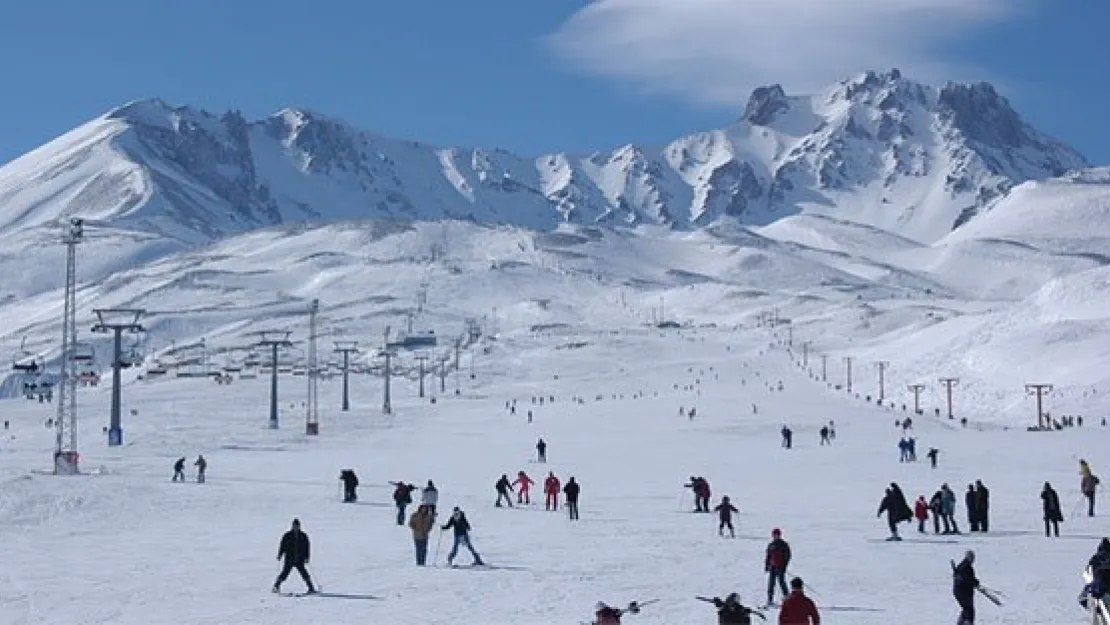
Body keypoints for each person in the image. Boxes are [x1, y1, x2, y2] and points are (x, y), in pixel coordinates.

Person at [272, 518, 316, 594]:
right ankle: (276, 586)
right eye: (294, 526)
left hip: (300, 559)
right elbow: (282, 545)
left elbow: (307, 547)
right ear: (292, 526)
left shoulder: (303, 536)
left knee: (304, 573)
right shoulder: (287, 535)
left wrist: (307, 557)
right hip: (289, 558)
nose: (296, 527)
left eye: (297, 526)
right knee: (285, 573)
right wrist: (280, 554)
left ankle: (311, 588)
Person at [764, 528, 791, 607]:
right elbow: (768, 556)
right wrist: (767, 565)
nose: (776, 536)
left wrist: (784, 566)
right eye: (774, 535)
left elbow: (787, 556)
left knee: (782, 582)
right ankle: (770, 599)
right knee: (771, 583)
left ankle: (787, 598)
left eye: (777, 535)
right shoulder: (771, 545)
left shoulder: (784, 544)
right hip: (772, 567)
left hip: (780, 567)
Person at [952, 550, 979, 625]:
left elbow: (968, 578)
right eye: (972, 557)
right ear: (968, 557)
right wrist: (974, 582)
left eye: (974, 558)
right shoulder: (965, 567)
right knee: (969, 610)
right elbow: (966, 579)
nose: (973, 559)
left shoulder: (964, 566)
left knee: (966, 609)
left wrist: (974, 582)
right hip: (963, 592)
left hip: (961, 592)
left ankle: (961, 623)